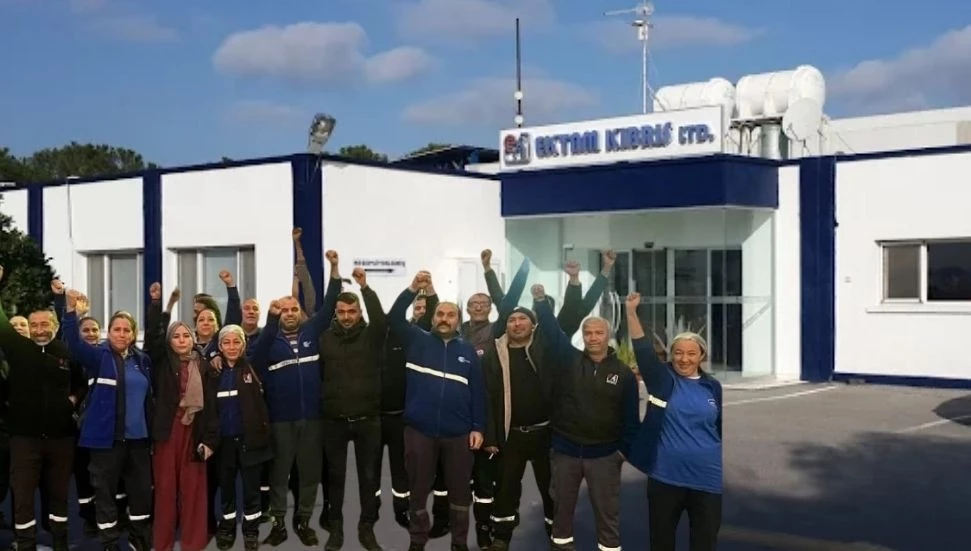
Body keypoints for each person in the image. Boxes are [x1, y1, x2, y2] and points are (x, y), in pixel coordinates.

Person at [482, 255, 611, 549]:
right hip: (510, 436)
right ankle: (501, 537)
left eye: (523, 319)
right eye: (511, 319)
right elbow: (487, 396)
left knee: (553, 490)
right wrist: (491, 435)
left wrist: (579, 279)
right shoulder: (494, 354)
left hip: (547, 435)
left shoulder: (548, 346)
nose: (516, 323)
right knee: (505, 490)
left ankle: (559, 537)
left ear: (534, 324)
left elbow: (574, 312)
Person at [531, 283, 640, 551]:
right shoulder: (569, 360)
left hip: (604, 456)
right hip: (566, 453)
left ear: (608, 335)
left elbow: (631, 418)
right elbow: (553, 332)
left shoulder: (624, 374)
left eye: (598, 333)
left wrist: (622, 452)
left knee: (607, 514)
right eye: (588, 333)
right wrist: (541, 301)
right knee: (561, 511)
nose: (593, 338)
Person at [389, 271, 487, 551]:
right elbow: (394, 317)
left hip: (458, 435)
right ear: (432, 318)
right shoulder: (416, 339)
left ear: (458, 320)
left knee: (460, 493)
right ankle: (417, 541)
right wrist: (412, 289)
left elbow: (478, 392)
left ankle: (459, 543)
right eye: (440, 314)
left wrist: (478, 427)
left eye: (451, 315)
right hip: (419, 432)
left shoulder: (468, 352)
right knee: (418, 491)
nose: (445, 318)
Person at [249, 249, 342, 547]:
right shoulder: (269, 340)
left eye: (293, 309)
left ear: (300, 311)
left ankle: (303, 521)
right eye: (284, 310)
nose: (289, 313)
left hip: (312, 418)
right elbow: (256, 361)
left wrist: (334, 268)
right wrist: (270, 319)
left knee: (309, 472)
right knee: (279, 473)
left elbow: (330, 305)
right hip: (281, 421)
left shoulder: (311, 332)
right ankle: (279, 523)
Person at [625, 292, 723, 551]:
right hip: (665, 477)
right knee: (661, 543)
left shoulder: (713, 387)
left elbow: (716, 429)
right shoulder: (662, 380)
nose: (684, 359)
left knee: (704, 543)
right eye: (678, 353)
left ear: (702, 356)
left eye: (691, 353)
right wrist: (631, 312)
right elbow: (642, 349)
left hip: (707, 479)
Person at [62, 289, 154, 551]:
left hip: (138, 441)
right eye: (117, 329)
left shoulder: (143, 360)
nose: (122, 334)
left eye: (127, 330)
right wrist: (70, 311)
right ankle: (110, 542)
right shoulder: (97, 356)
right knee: (105, 495)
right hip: (105, 442)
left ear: (133, 334)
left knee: (141, 494)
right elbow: (73, 343)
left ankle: (138, 537)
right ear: (109, 332)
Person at [0, 269, 84, 551]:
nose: (38, 329)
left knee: (59, 496)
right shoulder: (18, 349)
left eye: (44, 324)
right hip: (24, 439)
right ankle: (26, 544)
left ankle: (60, 543)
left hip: (61, 439)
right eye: (34, 324)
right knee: (23, 497)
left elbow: (81, 383)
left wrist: (72, 400)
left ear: (54, 325)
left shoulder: (66, 350)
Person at [145, 283, 219, 551]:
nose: (181, 340)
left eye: (186, 335)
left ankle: (193, 544)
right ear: (170, 341)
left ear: (192, 338)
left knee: (194, 492)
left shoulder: (204, 365)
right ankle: (163, 544)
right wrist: (160, 306)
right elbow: (153, 337)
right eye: (176, 336)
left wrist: (210, 441)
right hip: (167, 432)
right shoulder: (162, 362)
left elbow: (211, 408)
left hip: (195, 432)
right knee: (165, 491)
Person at [318, 267, 387, 551]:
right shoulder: (325, 338)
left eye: (352, 311)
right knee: (334, 477)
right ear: (336, 313)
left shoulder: (372, 336)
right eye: (342, 312)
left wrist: (365, 288)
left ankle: (366, 527)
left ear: (359, 313)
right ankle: (335, 528)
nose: (346, 316)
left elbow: (380, 319)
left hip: (367, 419)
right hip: (333, 420)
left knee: (369, 477)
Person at [378, 289, 438, 530]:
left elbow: (428, 316)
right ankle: (371, 513)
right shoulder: (376, 338)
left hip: (404, 415)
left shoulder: (413, 336)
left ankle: (403, 509)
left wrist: (428, 293)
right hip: (374, 416)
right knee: (371, 470)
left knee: (403, 467)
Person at [211, 324, 273, 551]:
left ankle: (251, 531)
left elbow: (266, 340)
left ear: (244, 344)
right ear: (219, 347)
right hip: (224, 444)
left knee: (251, 491)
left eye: (236, 342)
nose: (231, 347)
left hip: (251, 442)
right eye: (226, 342)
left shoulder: (253, 366)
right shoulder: (212, 373)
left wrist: (273, 317)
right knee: (227, 489)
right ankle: (227, 527)